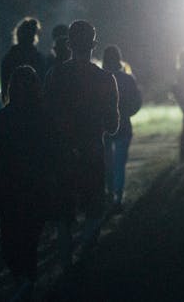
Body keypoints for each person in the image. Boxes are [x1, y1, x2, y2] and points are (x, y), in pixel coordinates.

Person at [43, 20, 119, 269]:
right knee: (94, 208)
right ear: (93, 45)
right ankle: (85, 255)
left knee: (64, 214)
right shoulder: (105, 79)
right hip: (92, 152)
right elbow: (112, 126)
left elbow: (47, 115)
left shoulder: (55, 75)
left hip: (62, 153)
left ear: (69, 44)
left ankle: (65, 267)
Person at [0, 65, 57, 301]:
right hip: (35, 187)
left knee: (11, 242)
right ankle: (27, 282)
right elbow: (52, 151)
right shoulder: (43, 115)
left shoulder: (6, 115)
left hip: (11, 188)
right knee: (29, 241)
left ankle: (24, 282)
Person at [101, 45, 142, 210]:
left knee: (107, 164)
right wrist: (126, 113)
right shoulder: (128, 79)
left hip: (103, 127)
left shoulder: (100, 78)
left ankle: (109, 193)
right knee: (119, 164)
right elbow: (137, 102)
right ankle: (117, 196)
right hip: (124, 125)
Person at [0, 17, 45, 103]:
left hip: (14, 105)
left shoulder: (9, 58)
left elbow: (4, 88)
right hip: (34, 106)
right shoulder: (39, 58)